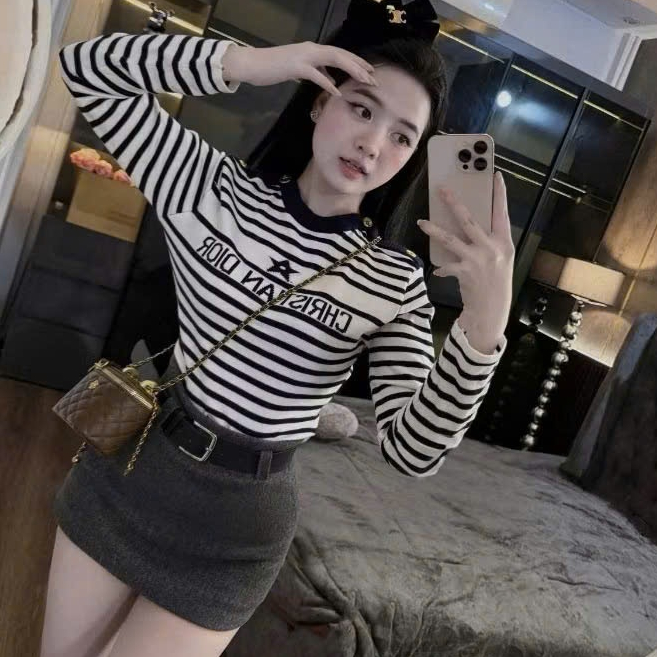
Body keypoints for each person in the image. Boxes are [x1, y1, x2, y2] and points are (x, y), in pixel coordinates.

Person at [40, 1, 514, 655]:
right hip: (132, 469)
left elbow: (412, 451)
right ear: (319, 101)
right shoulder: (209, 188)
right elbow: (85, 66)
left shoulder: (393, 281)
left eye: (403, 137)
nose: (373, 143)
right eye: (361, 108)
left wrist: (484, 325)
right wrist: (249, 63)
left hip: (236, 531)